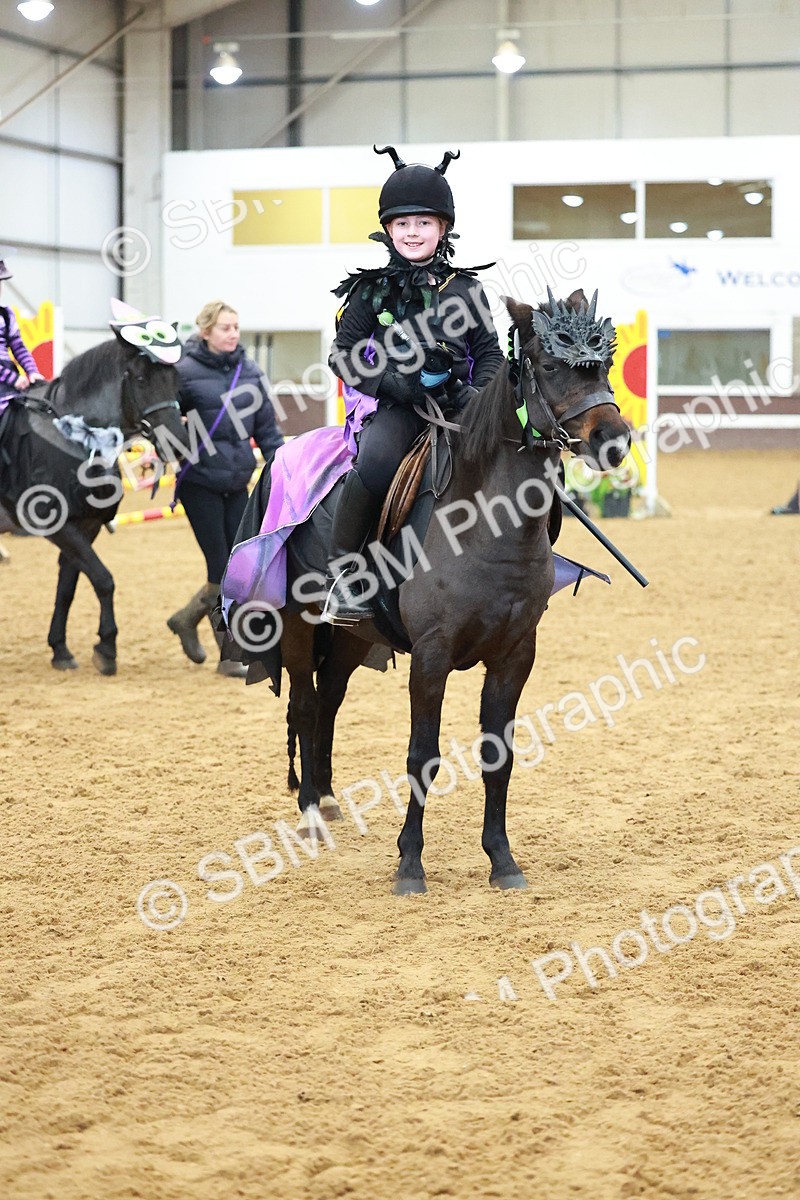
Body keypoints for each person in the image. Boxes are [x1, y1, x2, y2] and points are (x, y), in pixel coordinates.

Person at [324, 144, 505, 622]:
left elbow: (490, 355)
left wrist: (476, 399)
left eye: (423, 222)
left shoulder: (467, 290)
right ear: (387, 230)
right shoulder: (370, 291)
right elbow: (341, 356)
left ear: (442, 228)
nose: (412, 232)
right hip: (400, 410)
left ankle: (521, 563)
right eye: (402, 224)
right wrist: (393, 387)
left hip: (462, 408)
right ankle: (341, 577)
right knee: (377, 463)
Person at [167, 300, 284, 674]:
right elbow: (163, 421)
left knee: (240, 567)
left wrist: (280, 466)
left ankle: (186, 618)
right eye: (224, 327)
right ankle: (228, 655)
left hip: (237, 481)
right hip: (198, 482)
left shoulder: (249, 372)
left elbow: (266, 428)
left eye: (235, 327)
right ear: (206, 332)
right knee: (221, 566)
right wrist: (175, 434)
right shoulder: (181, 372)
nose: (233, 333)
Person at [0, 257, 46, 421]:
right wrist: (13, 378)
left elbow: (18, 347)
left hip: (9, 389)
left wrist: (32, 371)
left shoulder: (6, 315)